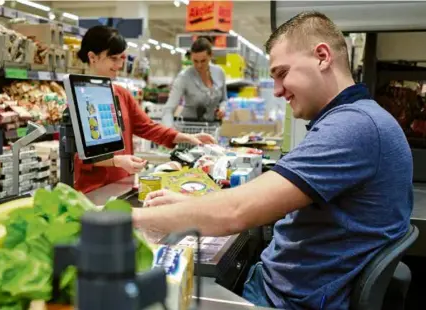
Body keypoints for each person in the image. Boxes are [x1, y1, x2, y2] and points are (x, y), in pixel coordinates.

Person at [133, 11, 413, 310]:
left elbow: (236, 213)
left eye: (282, 73)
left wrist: (128, 220)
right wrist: (188, 205)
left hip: (282, 300)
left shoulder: (353, 127)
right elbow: (263, 196)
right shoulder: (357, 118)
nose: (277, 91)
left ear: (322, 56)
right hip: (291, 288)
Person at [74, 26, 216, 193]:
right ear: (92, 57)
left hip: (122, 184)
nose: (119, 65)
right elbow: (79, 155)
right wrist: (116, 161)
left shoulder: (121, 94)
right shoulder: (79, 98)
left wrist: (188, 138)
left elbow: (147, 127)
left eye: (122, 58)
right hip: (93, 191)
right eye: (113, 58)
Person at [161, 37, 228, 127]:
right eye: (195, 61)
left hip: (212, 128)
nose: (199, 65)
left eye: (203, 61)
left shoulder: (219, 72)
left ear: (210, 55)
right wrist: (169, 132)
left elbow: (224, 99)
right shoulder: (184, 77)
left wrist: (222, 108)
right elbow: (168, 109)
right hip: (189, 129)